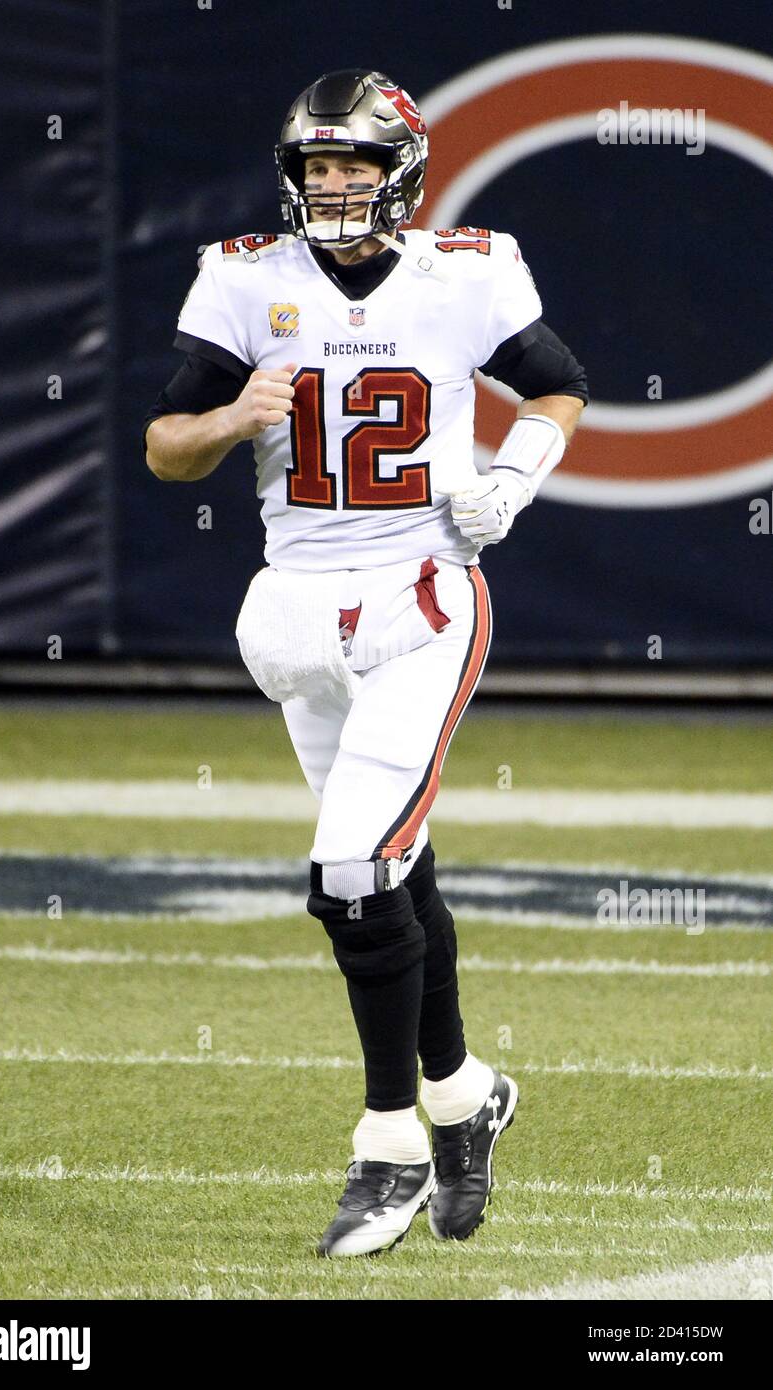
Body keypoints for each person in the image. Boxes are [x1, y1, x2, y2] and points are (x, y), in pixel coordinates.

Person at [144, 68, 588, 1258]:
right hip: (295, 615)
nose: (330, 186)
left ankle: (389, 1140)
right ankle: (464, 1095)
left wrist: (511, 478)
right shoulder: (245, 277)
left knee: (348, 873)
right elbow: (163, 446)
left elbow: (559, 382)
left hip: (421, 603)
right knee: (395, 872)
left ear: (399, 168)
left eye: (349, 164)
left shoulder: (469, 271)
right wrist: (235, 419)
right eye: (313, 167)